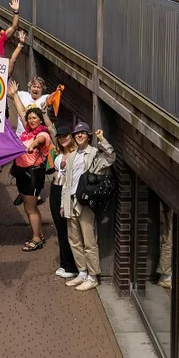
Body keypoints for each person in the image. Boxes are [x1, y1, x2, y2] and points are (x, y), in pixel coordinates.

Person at [60, 122, 115, 292]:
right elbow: (66, 183)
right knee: (74, 240)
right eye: (77, 133)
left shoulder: (94, 153)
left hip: (85, 203)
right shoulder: (72, 155)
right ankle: (82, 272)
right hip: (70, 202)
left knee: (89, 241)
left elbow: (111, 157)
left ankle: (93, 276)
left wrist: (101, 138)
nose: (80, 136)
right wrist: (63, 204)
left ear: (88, 136)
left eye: (83, 133)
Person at [8, 80, 51, 252]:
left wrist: (32, 145)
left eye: (35, 118)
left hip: (33, 174)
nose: (32, 120)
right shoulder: (27, 130)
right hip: (23, 172)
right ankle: (38, 233)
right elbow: (21, 111)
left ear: (41, 120)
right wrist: (15, 95)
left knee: (30, 207)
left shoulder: (42, 134)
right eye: (30, 118)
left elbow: (40, 140)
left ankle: (36, 239)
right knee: (28, 206)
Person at [49, 126, 78, 279]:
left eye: (65, 135)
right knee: (60, 230)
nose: (63, 138)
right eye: (60, 136)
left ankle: (72, 265)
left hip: (65, 193)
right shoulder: (59, 155)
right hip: (55, 190)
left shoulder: (76, 155)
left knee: (69, 231)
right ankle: (64, 263)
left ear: (70, 136)